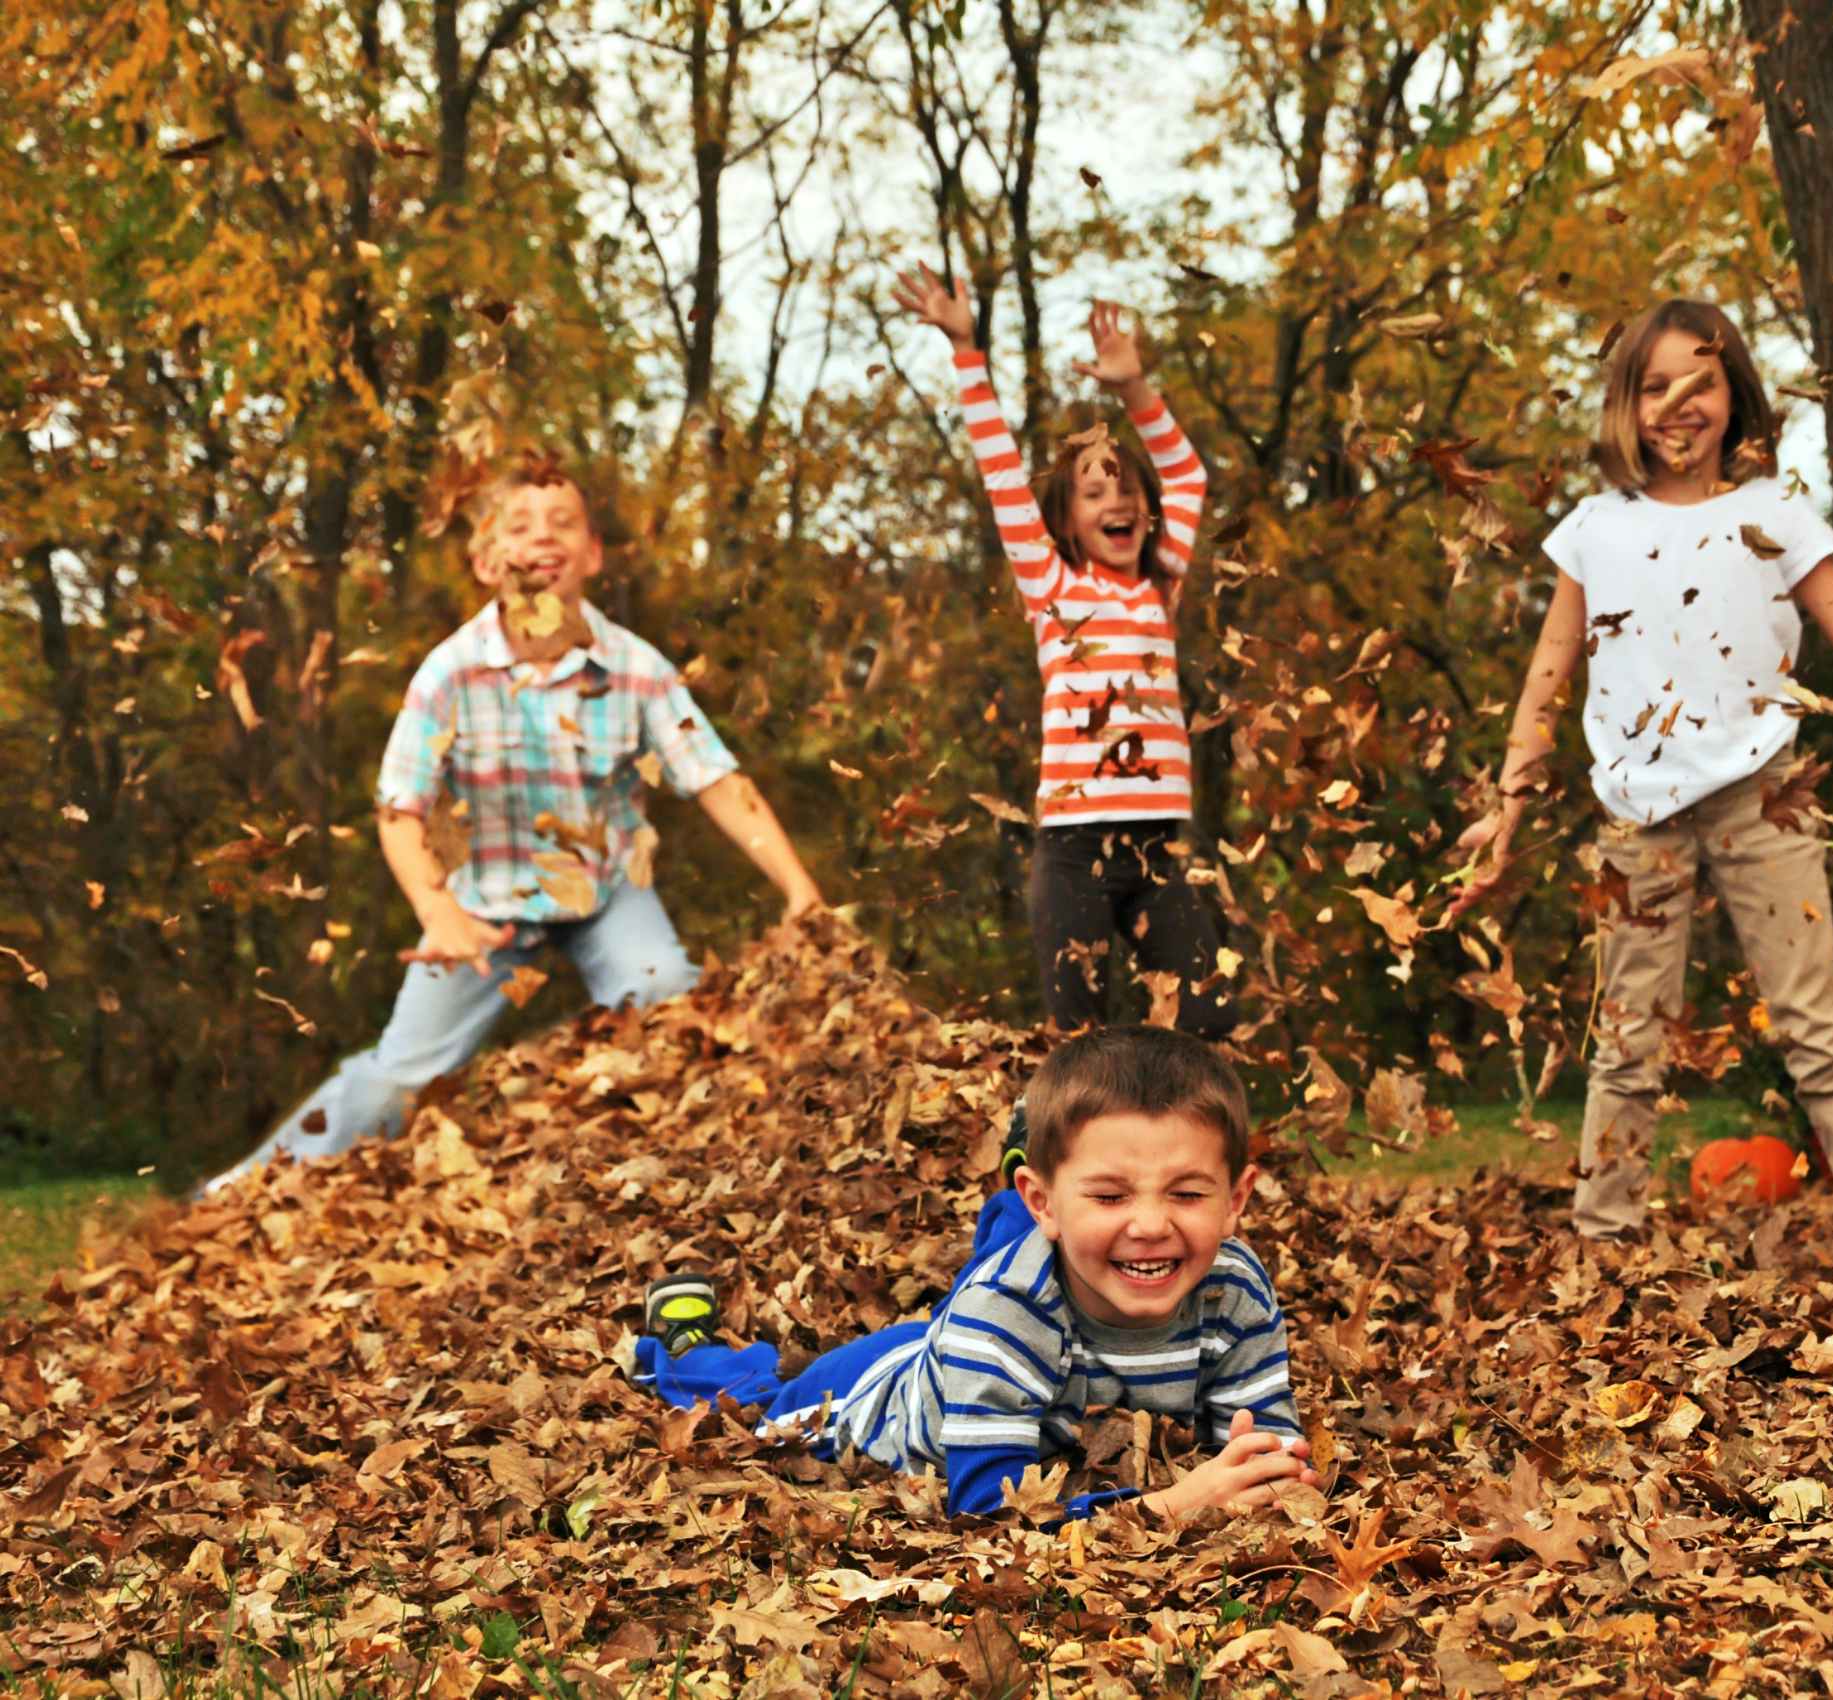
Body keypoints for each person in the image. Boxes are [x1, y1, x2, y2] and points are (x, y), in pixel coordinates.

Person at [1454, 298, 1833, 1245]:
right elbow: (1548, 671)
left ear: (1735, 395)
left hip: (1761, 801)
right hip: (1637, 815)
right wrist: (1506, 809)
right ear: (1627, 405)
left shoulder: (1776, 511)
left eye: (1700, 382)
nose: (1678, 403)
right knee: (1627, 1042)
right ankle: (1604, 1238)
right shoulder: (1595, 527)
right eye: (1655, 386)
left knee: (1817, 1026)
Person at [203, 457, 823, 1193]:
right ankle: (233, 1197)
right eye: (520, 527)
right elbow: (399, 811)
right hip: (484, 903)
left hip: (607, 893)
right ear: (485, 559)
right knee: (397, 1079)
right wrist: (438, 911)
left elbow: (718, 780)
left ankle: (677, 1187)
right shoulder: (449, 673)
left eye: (564, 524)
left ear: (592, 554)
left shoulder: (637, 667)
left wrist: (801, 892)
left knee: (669, 1011)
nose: (543, 539)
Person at [634, 1026, 1316, 1522]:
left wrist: (1264, 1475)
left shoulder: (1235, 1286)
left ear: (1237, 1200)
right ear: (1045, 1199)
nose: (1150, 1223)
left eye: (1188, 1194)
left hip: (999, 1328)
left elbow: (1264, 1450)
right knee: (763, 1396)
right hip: (873, 1397)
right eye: (1111, 1195)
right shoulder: (1003, 1316)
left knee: (1025, 1286)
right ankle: (685, 1349)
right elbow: (989, 1506)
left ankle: (1034, 1202)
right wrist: (1171, 1507)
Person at [891, 265, 1235, 1039]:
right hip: (1075, 852)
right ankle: (1067, 1157)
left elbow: (1186, 474)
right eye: (1093, 489)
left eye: (1124, 485)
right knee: (1077, 1032)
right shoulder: (1052, 587)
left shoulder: (1159, 587)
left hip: (1156, 850)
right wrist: (966, 351)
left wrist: (1135, 389)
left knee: (1207, 1014)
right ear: (1068, 520)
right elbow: (1000, 472)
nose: (1117, 498)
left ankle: (1190, 1154)